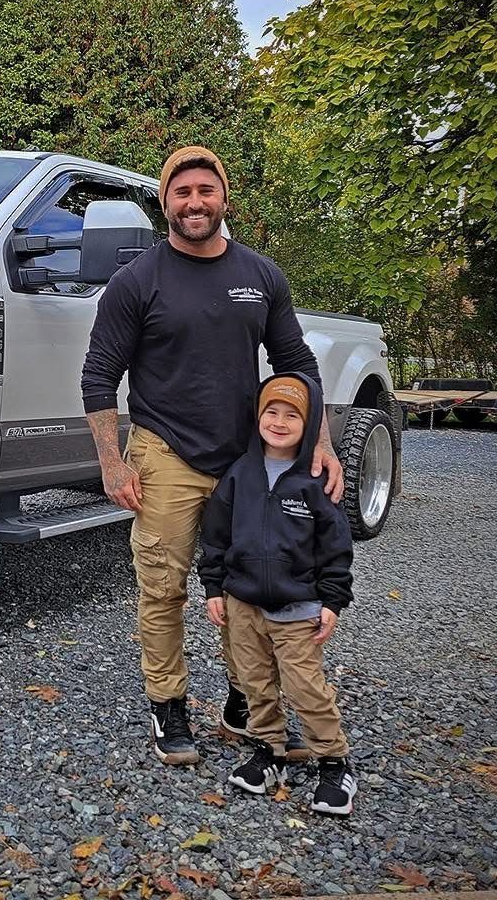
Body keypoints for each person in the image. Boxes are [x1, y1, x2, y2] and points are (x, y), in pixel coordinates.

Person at [81, 145, 344, 766]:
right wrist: (112, 462)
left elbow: (296, 363)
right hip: (164, 452)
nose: (194, 202)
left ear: (224, 198)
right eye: (182, 192)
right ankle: (167, 706)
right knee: (164, 587)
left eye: (205, 190)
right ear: (164, 202)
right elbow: (99, 376)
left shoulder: (260, 275)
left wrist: (321, 444)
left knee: (248, 587)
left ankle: (244, 703)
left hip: (244, 461)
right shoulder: (136, 281)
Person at [198, 373, 356, 815]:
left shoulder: (315, 480)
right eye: (272, 411)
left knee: (306, 687)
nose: (280, 422)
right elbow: (215, 538)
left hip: (298, 609)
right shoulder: (239, 474)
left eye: (292, 415)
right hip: (242, 605)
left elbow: (336, 547)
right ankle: (269, 750)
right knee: (255, 684)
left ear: (310, 424)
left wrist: (332, 601)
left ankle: (334, 762)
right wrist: (214, 587)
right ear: (258, 416)